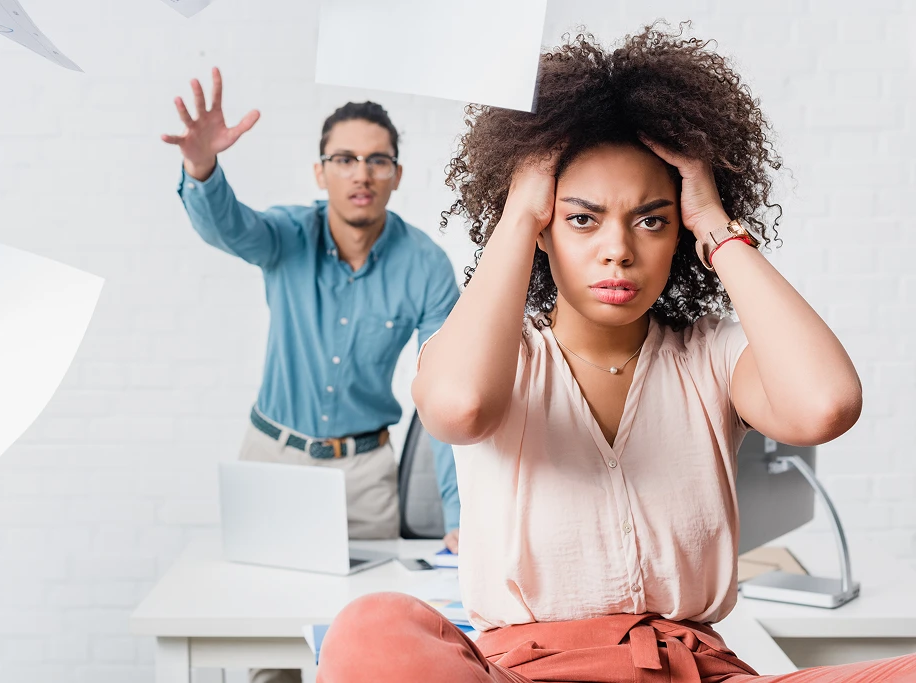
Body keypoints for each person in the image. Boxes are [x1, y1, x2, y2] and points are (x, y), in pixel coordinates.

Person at [316, 24, 916, 682]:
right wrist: (519, 210)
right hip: (526, 673)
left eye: (651, 218)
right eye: (582, 217)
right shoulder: (495, 354)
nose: (618, 249)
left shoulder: (712, 355)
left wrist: (714, 221)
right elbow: (458, 408)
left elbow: (826, 404)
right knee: (369, 627)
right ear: (543, 225)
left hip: (695, 671)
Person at [162, 69, 462, 683]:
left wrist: (461, 517)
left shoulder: (426, 266)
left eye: (378, 160)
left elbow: (448, 394)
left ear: (397, 175)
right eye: (345, 158)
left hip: (365, 475)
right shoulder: (288, 235)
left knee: (362, 648)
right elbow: (228, 226)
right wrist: (202, 171)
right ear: (320, 171)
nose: (362, 173)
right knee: (270, 654)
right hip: (274, 462)